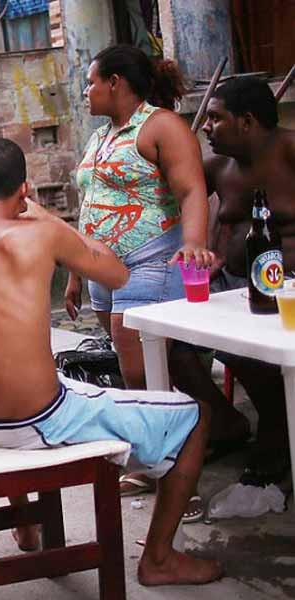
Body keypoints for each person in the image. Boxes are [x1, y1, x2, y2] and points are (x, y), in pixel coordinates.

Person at [0, 136, 222, 586]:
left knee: (57, 381)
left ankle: (24, 521)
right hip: (38, 422)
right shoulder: (41, 231)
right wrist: (49, 217)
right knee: (195, 417)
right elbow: (117, 273)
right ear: (25, 190)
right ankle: (158, 558)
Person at [62, 45, 214, 495]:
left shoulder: (162, 125)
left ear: (115, 83)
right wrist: (73, 270)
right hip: (100, 268)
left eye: (91, 81)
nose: (85, 91)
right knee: (147, 366)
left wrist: (193, 243)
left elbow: (191, 190)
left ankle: (160, 464)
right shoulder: (101, 135)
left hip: (149, 260)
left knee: (139, 372)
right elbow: (88, 203)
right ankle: (210, 431)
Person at [172, 76, 295, 486]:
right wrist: (207, 250)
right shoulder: (216, 166)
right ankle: (226, 422)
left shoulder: (290, 151)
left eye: (215, 118)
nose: (206, 127)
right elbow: (175, 202)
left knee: (247, 349)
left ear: (247, 122)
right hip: (233, 288)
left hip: (288, 290)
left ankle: (276, 430)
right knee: (170, 345)